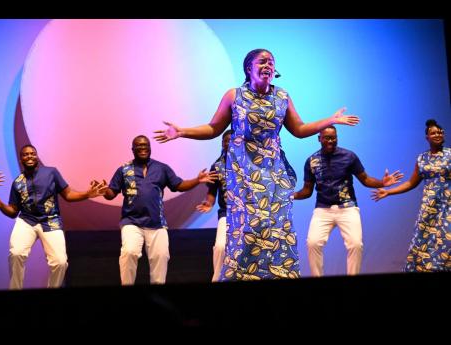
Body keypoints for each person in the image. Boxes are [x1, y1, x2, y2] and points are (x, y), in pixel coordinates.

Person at [154, 48, 360, 281]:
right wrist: (182, 131)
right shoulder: (234, 96)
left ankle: (278, 275)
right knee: (248, 228)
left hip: (273, 172)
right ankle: (242, 276)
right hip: (242, 172)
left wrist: (329, 120)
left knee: (275, 227)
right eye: (262, 61)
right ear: (248, 68)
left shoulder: (282, 96)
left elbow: (300, 129)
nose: (268, 65)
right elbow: (214, 128)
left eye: (271, 62)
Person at [102, 135, 217, 285]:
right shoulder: (123, 169)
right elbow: (111, 193)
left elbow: (179, 185)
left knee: (161, 257)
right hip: (131, 222)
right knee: (129, 252)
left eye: (146, 145)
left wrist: (197, 180)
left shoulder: (161, 168)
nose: (143, 148)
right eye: (139, 146)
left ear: (150, 148)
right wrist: (105, 190)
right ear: (132, 149)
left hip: (157, 223)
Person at [0, 145, 107, 289]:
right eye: (25, 155)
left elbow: (68, 194)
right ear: (21, 159)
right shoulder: (18, 182)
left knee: (60, 262)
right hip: (27, 221)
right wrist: (1, 204)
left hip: (51, 220)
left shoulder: (51, 172)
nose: (29, 156)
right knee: (16, 253)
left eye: (32, 153)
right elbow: (13, 211)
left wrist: (86, 194)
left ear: (37, 156)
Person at [294, 126, 403, 276]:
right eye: (327, 138)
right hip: (323, 209)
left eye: (334, 137)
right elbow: (306, 191)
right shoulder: (311, 161)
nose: (331, 141)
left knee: (356, 245)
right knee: (312, 243)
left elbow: (365, 179)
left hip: (348, 207)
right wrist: (290, 196)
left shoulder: (349, 156)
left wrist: (382, 183)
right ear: (319, 139)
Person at [372, 119, 450, 272]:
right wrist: (388, 191)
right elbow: (411, 183)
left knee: (447, 241)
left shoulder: (450, 154)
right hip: (430, 207)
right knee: (423, 241)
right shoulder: (422, 158)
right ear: (427, 137)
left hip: (448, 207)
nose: (437, 135)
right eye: (433, 133)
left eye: (440, 132)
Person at [196, 129, 232, 282]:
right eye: (225, 141)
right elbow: (212, 191)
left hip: (249, 213)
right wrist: (209, 203)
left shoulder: (249, 163)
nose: (228, 143)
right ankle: (216, 279)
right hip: (227, 213)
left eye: (231, 140)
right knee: (221, 247)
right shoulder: (216, 166)